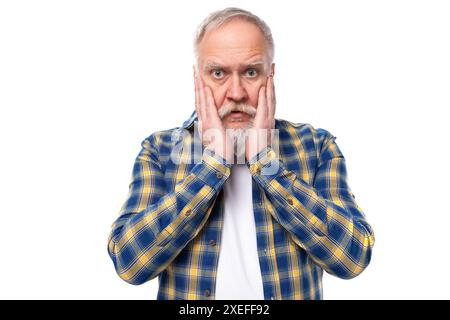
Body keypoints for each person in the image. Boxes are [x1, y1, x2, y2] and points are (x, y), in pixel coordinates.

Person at [107, 7, 375, 300]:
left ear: (270, 75)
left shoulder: (317, 146)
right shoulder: (159, 151)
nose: (236, 93)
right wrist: (213, 166)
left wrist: (265, 163)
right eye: (218, 73)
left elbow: (353, 259)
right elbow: (129, 265)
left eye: (250, 72)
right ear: (198, 78)